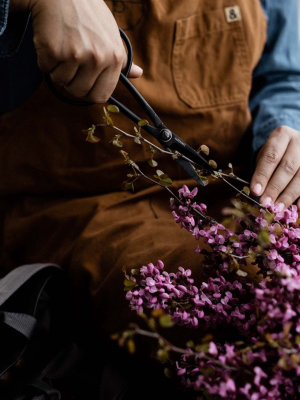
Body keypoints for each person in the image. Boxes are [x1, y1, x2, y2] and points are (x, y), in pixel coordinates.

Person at [0, 0, 299, 342]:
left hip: (244, 189)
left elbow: (282, 75)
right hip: (80, 206)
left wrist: (286, 130)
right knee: (256, 306)